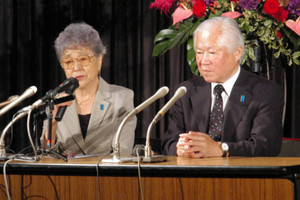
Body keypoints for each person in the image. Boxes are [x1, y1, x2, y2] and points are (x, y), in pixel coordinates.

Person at [162, 17, 284, 158]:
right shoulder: (185, 92)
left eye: (212, 53)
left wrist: (222, 149)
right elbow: (168, 143)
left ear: (237, 53)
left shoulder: (264, 92)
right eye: (199, 52)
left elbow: (266, 146)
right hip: (193, 177)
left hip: (242, 177)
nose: (203, 61)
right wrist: (180, 149)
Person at [42, 22, 136, 156]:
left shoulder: (121, 98)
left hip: (106, 175)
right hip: (64, 176)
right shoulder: (56, 101)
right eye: (69, 62)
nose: (76, 67)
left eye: (83, 59)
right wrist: (53, 123)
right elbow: (45, 153)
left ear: (99, 61)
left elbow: (123, 151)